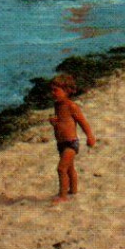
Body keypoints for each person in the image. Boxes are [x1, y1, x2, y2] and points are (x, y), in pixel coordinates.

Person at [48, 74, 95, 203]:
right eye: (51, 90)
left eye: (56, 90)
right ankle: (73, 190)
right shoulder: (57, 105)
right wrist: (54, 123)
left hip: (71, 143)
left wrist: (90, 136)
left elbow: (82, 122)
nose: (53, 93)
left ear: (67, 91)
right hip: (61, 143)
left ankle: (62, 195)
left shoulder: (71, 106)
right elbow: (62, 123)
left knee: (61, 168)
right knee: (69, 168)